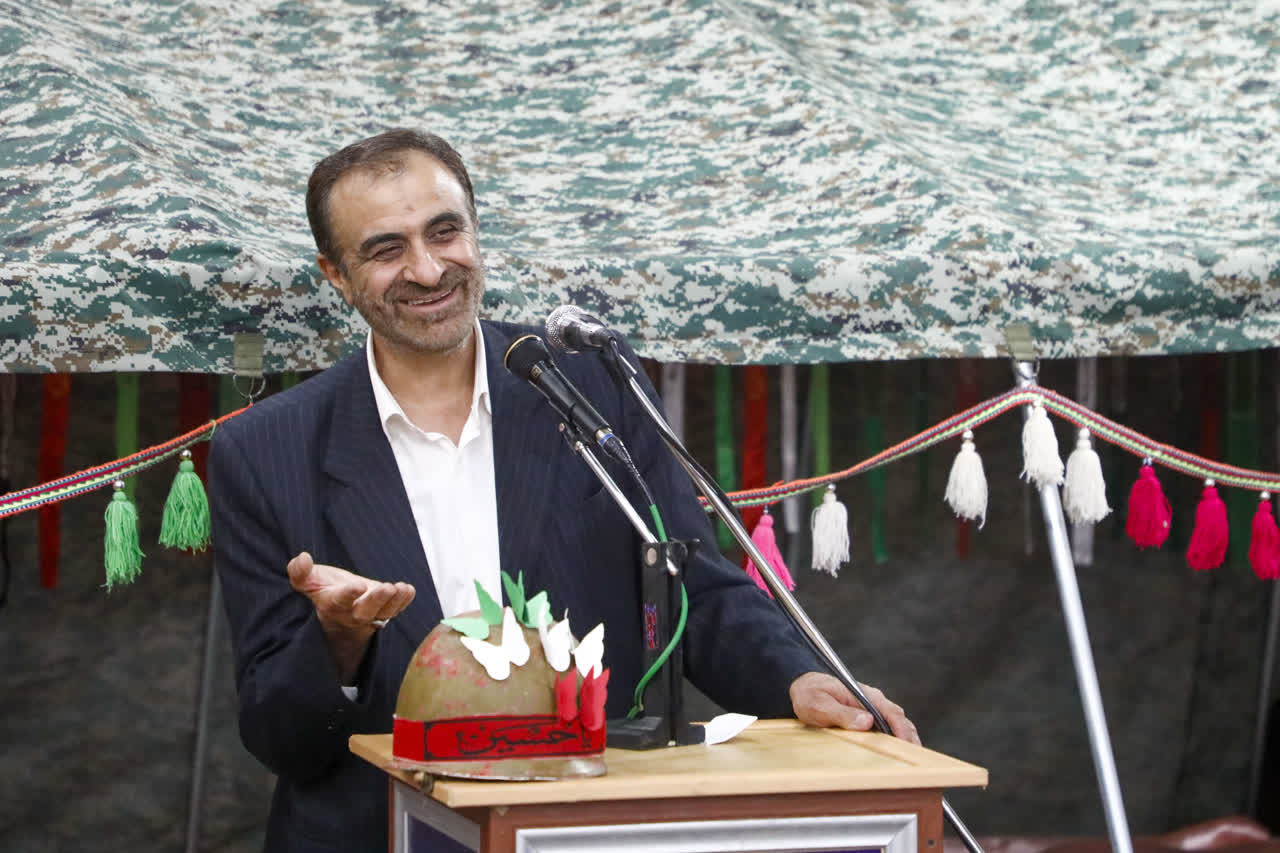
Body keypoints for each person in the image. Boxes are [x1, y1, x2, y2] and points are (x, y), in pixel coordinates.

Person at [209, 129, 918, 853]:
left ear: (475, 229)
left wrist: (796, 681)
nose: (427, 268)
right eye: (386, 249)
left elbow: (691, 592)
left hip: (585, 826)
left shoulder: (583, 383)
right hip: (376, 832)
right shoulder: (265, 450)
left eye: (445, 232)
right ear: (335, 273)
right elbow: (276, 734)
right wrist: (336, 642)